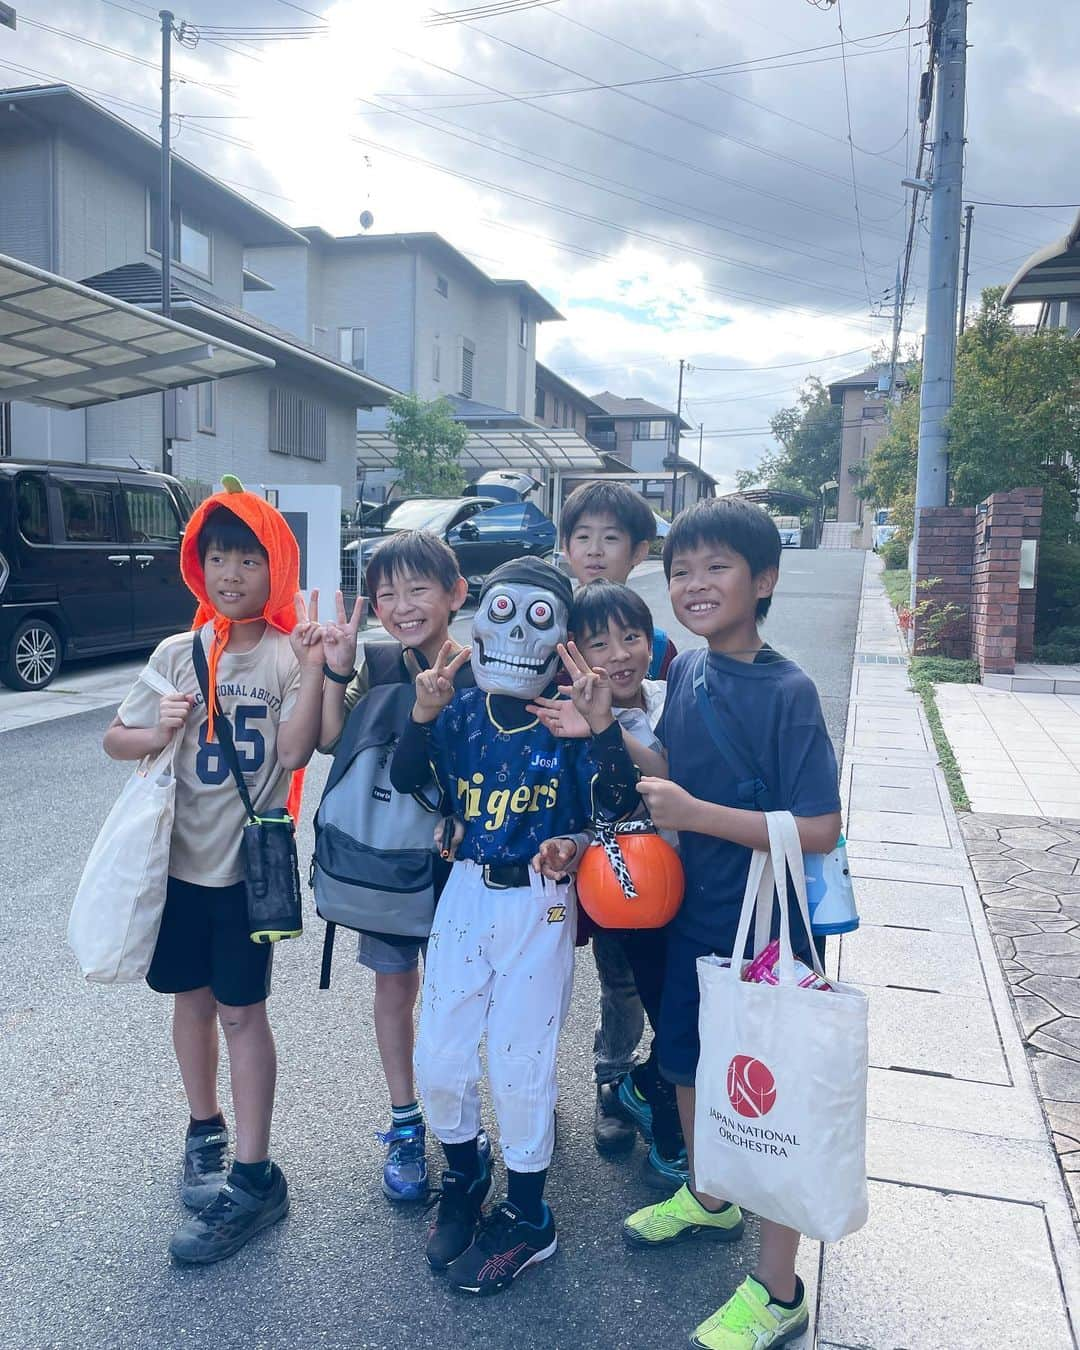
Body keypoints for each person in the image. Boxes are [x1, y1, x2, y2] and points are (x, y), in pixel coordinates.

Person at [619, 497, 842, 1350]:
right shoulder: (691, 674)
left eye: (716, 568)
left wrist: (697, 814)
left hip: (771, 931)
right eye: (680, 571)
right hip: (695, 912)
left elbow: (818, 827)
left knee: (771, 1099)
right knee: (684, 1061)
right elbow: (674, 770)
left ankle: (779, 1291)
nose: (694, 584)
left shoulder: (787, 690)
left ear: (766, 581)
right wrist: (613, 733)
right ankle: (712, 1198)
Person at [389, 557, 640, 1296]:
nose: (513, 632)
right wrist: (422, 713)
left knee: (520, 1062)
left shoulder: (567, 716)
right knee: (438, 1053)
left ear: (563, 636)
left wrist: (596, 737)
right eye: (501, 611)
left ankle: (531, 1216)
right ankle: (465, 1175)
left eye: (536, 617)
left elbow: (617, 803)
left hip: (540, 900)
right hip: (465, 893)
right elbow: (412, 779)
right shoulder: (460, 709)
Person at [103, 481, 326, 1265]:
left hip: (243, 874)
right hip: (174, 871)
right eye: (218, 556)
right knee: (190, 1005)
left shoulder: (283, 653)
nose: (231, 572)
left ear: (278, 568)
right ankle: (205, 1129)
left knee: (241, 1013)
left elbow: (299, 752)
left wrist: (317, 670)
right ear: (199, 567)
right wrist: (157, 727)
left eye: (249, 558)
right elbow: (115, 742)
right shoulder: (177, 652)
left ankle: (256, 1173)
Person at [317, 529, 481, 1204]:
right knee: (394, 989)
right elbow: (331, 740)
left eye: (418, 588)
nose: (402, 604)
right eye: (388, 593)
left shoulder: (486, 665)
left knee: (467, 999)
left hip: (464, 865)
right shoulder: (379, 663)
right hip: (386, 861)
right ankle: (406, 1121)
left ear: (455, 593)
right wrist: (335, 667)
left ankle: (463, 1121)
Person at [529, 579, 687, 1187]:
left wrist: (607, 727)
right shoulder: (568, 718)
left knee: (680, 1012)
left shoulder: (670, 697)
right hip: (628, 897)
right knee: (651, 1003)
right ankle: (663, 1128)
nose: (619, 654)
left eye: (632, 638)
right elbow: (606, 805)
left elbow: (670, 775)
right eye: (601, 643)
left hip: (686, 887)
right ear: (576, 653)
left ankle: (640, 1090)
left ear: (654, 643)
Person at [558, 480, 678, 1161]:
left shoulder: (653, 647)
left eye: (613, 539)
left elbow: (665, 749)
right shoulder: (548, 628)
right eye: (584, 538)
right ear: (566, 546)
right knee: (545, 966)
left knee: (626, 972)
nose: (597, 551)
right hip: (566, 835)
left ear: (638, 551)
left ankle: (617, 1084)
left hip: (637, 848)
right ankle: (544, 1086)